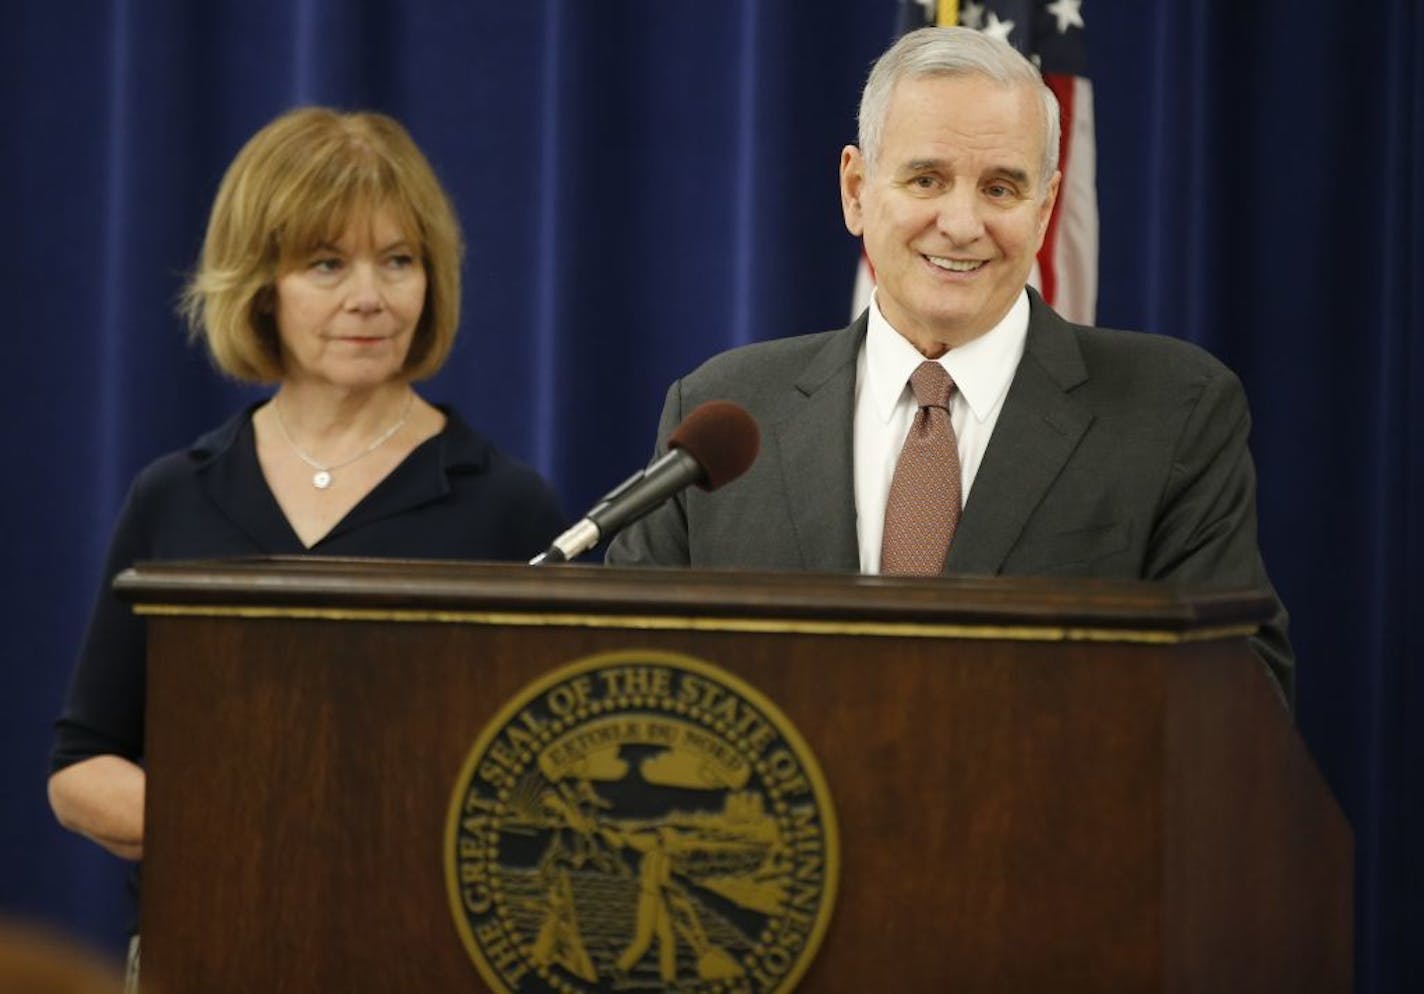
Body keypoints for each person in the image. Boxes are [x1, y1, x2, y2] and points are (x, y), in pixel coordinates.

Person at [606, 27, 1292, 703]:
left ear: (1046, 207)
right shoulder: (722, 411)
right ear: (856, 190)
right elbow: (623, 677)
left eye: (1000, 189)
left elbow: (1240, 697)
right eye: (927, 179)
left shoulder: (1173, 411)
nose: (962, 223)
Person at [48, 107, 567, 862]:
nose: (370, 297)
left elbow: (555, 779)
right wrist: (259, 820)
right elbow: (82, 766)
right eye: (327, 264)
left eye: (397, 260)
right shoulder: (175, 495)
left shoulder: (506, 506)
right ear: (262, 287)